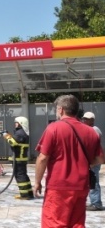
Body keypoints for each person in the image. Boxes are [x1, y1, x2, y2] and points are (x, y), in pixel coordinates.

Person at [34, 95, 105, 227]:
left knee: (54, 223)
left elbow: (43, 158)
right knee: (76, 223)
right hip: (81, 186)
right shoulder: (90, 132)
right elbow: (101, 158)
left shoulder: (53, 128)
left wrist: (37, 182)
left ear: (61, 109)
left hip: (58, 187)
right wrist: (84, 163)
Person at [2, 116, 34, 199]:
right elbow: (15, 140)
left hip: (18, 159)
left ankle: (24, 195)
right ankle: (29, 193)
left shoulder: (20, 133)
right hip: (21, 159)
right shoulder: (22, 133)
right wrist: (7, 134)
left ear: (21, 124)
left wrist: (6, 135)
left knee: (20, 176)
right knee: (23, 175)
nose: (15, 124)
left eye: (16, 123)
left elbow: (13, 142)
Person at [81, 111, 105, 211]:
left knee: (93, 181)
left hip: (94, 160)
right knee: (91, 181)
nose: (85, 120)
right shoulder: (89, 129)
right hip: (91, 160)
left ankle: (96, 203)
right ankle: (94, 201)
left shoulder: (94, 130)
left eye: (87, 119)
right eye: (84, 119)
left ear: (92, 120)